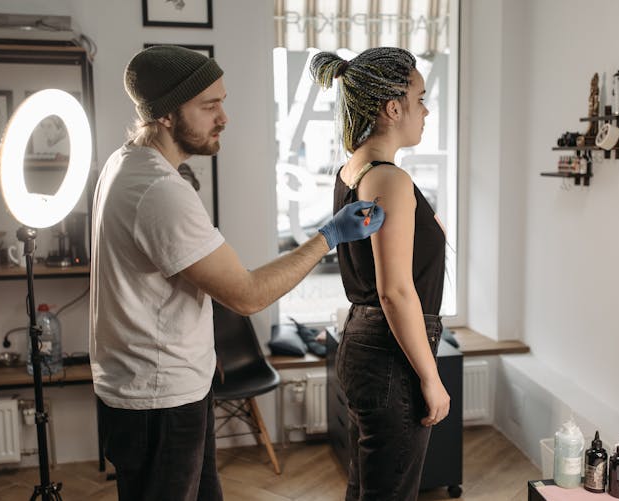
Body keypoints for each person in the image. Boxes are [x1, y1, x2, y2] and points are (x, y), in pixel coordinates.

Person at [89, 45, 384, 501]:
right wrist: (329, 236)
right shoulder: (159, 191)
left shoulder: (124, 162)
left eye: (221, 101)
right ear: (166, 115)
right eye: (209, 106)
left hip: (159, 387)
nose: (223, 118)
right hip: (159, 400)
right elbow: (246, 296)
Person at [310, 47, 450, 500]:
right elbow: (394, 291)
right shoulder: (389, 179)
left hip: (366, 342)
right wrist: (431, 378)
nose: (426, 111)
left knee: (368, 485)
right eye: (421, 98)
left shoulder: (355, 169)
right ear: (393, 108)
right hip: (392, 354)